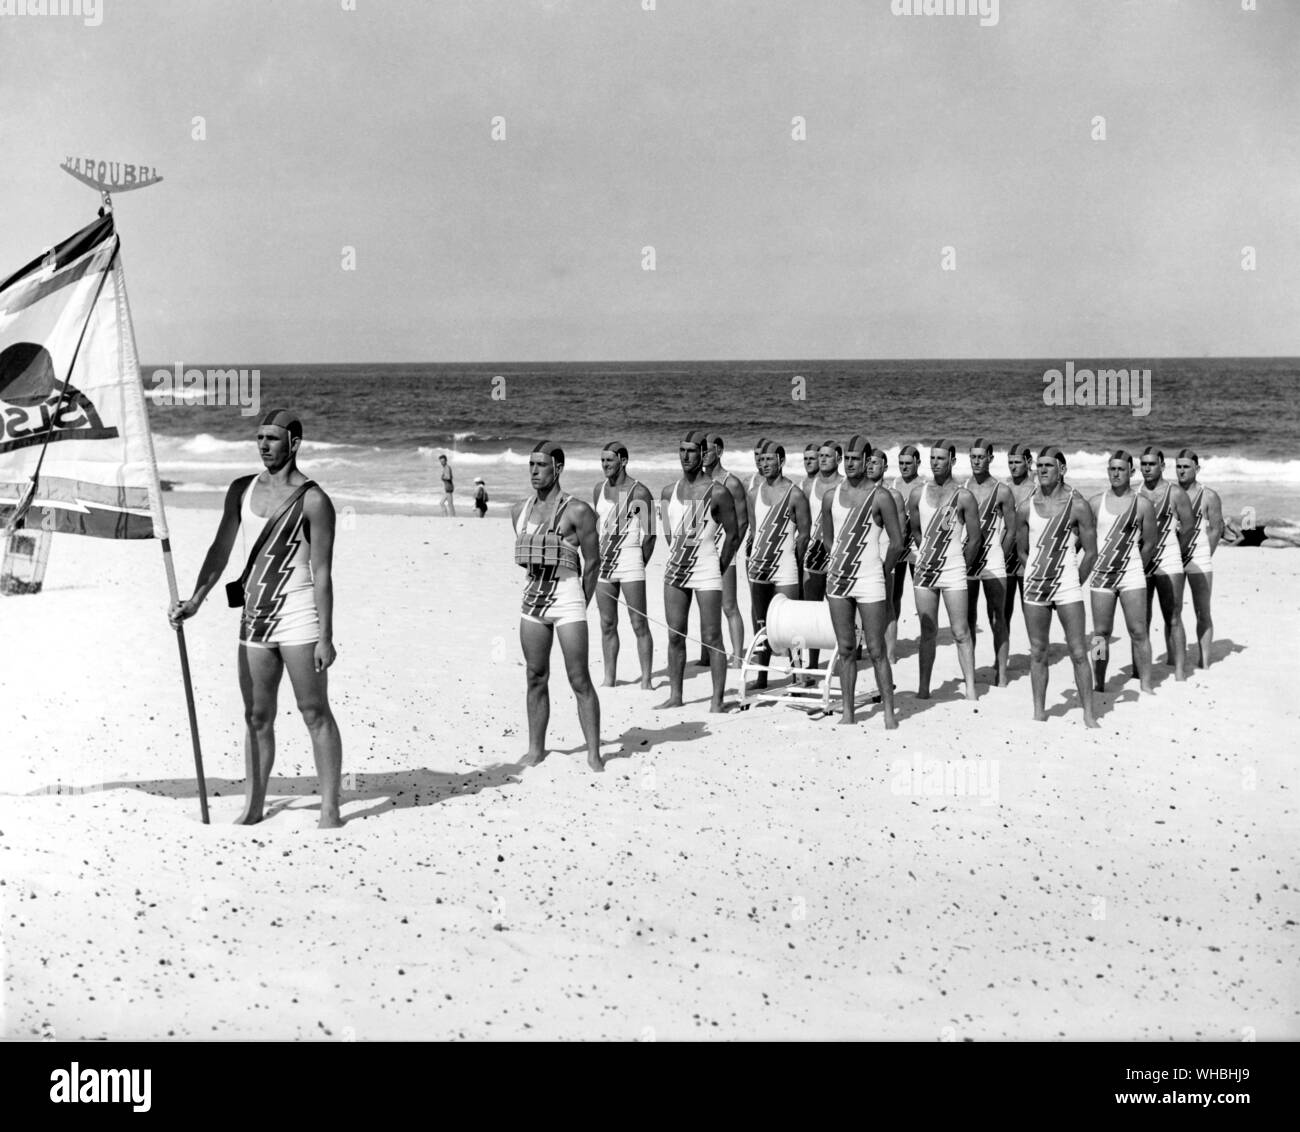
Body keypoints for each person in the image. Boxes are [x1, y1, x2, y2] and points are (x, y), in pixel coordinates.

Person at [168, 409, 343, 829]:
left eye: (273, 438)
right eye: (259, 437)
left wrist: (326, 636)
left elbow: (322, 572)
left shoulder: (314, 500)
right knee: (256, 716)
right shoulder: (240, 490)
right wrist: (196, 599)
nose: (263, 445)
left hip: (299, 617)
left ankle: (330, 808)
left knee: (314, 711)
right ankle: (254, 805)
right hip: (254, 619)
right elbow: (220, 549)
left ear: (294, 443)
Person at [511, 442, 603, 771]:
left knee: (579, 678)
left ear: (558, 468)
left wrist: (581, 603)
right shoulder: (518, 511)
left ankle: (594, 753)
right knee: (535, 676)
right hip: (532, 602)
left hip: (568, 600)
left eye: (541, 465)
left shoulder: (578, 511)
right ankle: (536, 749)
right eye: (530, 465)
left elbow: (593, 563)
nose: (534, 471)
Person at [824, 435, 904, 728]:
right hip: (838, 582)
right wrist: (836, 560)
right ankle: (848, 713)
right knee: (845, 649)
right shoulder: (831, 495)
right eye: (846, 458)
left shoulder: (881, 497)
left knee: (876, 650)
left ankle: (889, 714)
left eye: (856, 459)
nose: (850, 463)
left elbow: (897, 542)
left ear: (868, 460)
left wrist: (883, 572)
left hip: (870, 579)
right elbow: (828, 537)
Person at [658, 430, 740, 713]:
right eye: (681, 450)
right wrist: (676, 554)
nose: (685, 456)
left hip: (706, 568)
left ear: (703, 453)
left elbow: (733, 533)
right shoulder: (669, 491)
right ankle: (676, 695)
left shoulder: (718, 491)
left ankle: (717, 700)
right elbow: (670, 532)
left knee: (712, 636)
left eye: (691, 451)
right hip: (676, 570)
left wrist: (720, 564)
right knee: (674, 635)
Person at [1017, 447, 1098, 727]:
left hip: (1067, 587)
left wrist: (1073, 581)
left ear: (1062, 469)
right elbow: (1021, 552)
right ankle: (1039, 712)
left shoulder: (1078, 505)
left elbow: (1090, 552)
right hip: (1035, 587)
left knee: (1078, 651)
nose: (1042, 470)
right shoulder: (1026, 506)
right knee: (1038, 651)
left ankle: (1088, 714)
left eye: (1048, 466)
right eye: (1039, 466)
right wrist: (1035, 574)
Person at [907, 440, 981, 701]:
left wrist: (961, 564)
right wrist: (928, 554)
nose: (935, 462)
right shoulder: (918, 494)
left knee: (961, 632)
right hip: (925, 571)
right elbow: (915, 530)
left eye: (940, 458)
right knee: (927, 632)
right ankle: (924, 688)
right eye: (932, 458)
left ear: (952, 460)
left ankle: (971, 689)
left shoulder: (964, 496)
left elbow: (975, 539)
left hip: (954, 571)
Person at [1087, 450, 1156, 693]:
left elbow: (1149, 543)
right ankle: (1099, 683)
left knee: (1138, 631)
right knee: (1100, 634)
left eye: (1120, 469)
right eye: (1112, 469)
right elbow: (1083, 540)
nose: (1115, 474)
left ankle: (1146, 685)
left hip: (1132, 574)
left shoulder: (1143, 504)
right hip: (1101, 576)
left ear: (1131, 472)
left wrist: (1133, 565)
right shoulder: (1095, 503)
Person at [745, 441, 810, 691]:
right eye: (761, 460)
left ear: (781, 461)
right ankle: (762, 677)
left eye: (770, 460)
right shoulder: (753, 494)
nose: (765, 464)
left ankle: (798, 676)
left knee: (790, 624)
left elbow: (803, 535)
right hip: (760, 567)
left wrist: (797, 562)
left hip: (785, 567)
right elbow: (754, 531)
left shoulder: (795, 494)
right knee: (761, 624)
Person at [592, 441, 656, 689]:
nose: (605, 465)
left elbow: (650, 534)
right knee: (607, 624)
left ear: (623, 461)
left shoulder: (640, 492)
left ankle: (647, 680)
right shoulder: (599, 489)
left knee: (639, 623)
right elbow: (598, 527)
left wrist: (640, 563)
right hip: (604, 564)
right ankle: (609, 678)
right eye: (602, 461)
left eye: (609, 460)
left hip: (630, 562)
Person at [964, 439, 1018, 686]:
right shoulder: (962, 489)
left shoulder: (1002, 491)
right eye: (973, 457)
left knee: (997, 617)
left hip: (993, 561)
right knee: (968, 619)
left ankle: (1001, 673)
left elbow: (1011, 529)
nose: (976, 461)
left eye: (981, 457)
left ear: (990, 458)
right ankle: (971, 673)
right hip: (968, 561)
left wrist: (1000, 554)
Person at [1138, 447, 1194, 681]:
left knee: (1173, 615)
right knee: (1142, 620)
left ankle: (1180, 670)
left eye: (1152, 464)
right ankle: (1139, 670)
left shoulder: (1175, 493)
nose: (1147, 468)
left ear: (1162, 466)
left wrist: (1176, 551)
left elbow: (1188, 526)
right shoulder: (1136, 493)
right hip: (1142, 560)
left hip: (1168, 559)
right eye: (1143, 464)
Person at [698, 433, 750, 666]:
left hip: (724, 552)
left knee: (729, 605)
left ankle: (738, 656)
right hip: (701, 553)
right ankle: (706, 654)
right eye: (701, 450)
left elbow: (742, 522)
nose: (703, 454)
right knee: (704, 606)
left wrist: (730, 552)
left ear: (719, 451)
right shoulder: (698, 482)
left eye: (708, 450)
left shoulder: (731, 483)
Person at [1174, 449, 1223, 669]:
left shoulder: (1209, 495)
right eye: (1178, 466)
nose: (1182, 470)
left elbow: (1216, 528)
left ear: (1197, 469)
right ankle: (1172, 659)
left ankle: (1204, 660)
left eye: (1186, 466)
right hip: (1173, 558)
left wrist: (1205, 554)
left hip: (1200, 558)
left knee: (1202, 610)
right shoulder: (1171, 493)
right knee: (1172, 611)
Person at [799, 439, 843, 680]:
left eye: (828, 456)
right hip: (813, 554)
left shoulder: (845, 486)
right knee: (812, 611)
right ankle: (813, 663)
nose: (823, 459)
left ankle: (844, 655)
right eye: (821, 455)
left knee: (839, 609)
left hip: (838, 553)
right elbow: (802, 522)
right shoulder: (809, 486)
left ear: (839, 459)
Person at [867, 448, 907, 666]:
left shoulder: (894, 496)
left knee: (888, 605)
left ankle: (890, 654)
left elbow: (899, 534)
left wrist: (888, 564)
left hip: (885, 555)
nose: (871, 466)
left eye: (875, 463)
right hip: (865, 554)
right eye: (869, 462)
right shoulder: (860, 493)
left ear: (884, 467)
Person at [887, 443, 923, 660]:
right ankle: (893, 643)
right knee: (895, 595)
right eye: (901, 463)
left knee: (921, 596)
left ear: (918, 463)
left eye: (908, 463)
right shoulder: (894, 485)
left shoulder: (923, 487)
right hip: (898, 546)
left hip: (917, 548)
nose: (904, 467)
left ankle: (925, 637)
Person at [1002, 443, 1037, 626]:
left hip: (1027, 555)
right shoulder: (1003, 488)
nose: (1013, 466)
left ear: (1028, 462)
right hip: (1006, 555)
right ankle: (1001, 654)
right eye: (1010, 462)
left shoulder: (1036, 491)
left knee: (1031, 612)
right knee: (1002, 612)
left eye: (1017, 462)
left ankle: (1037, 653)